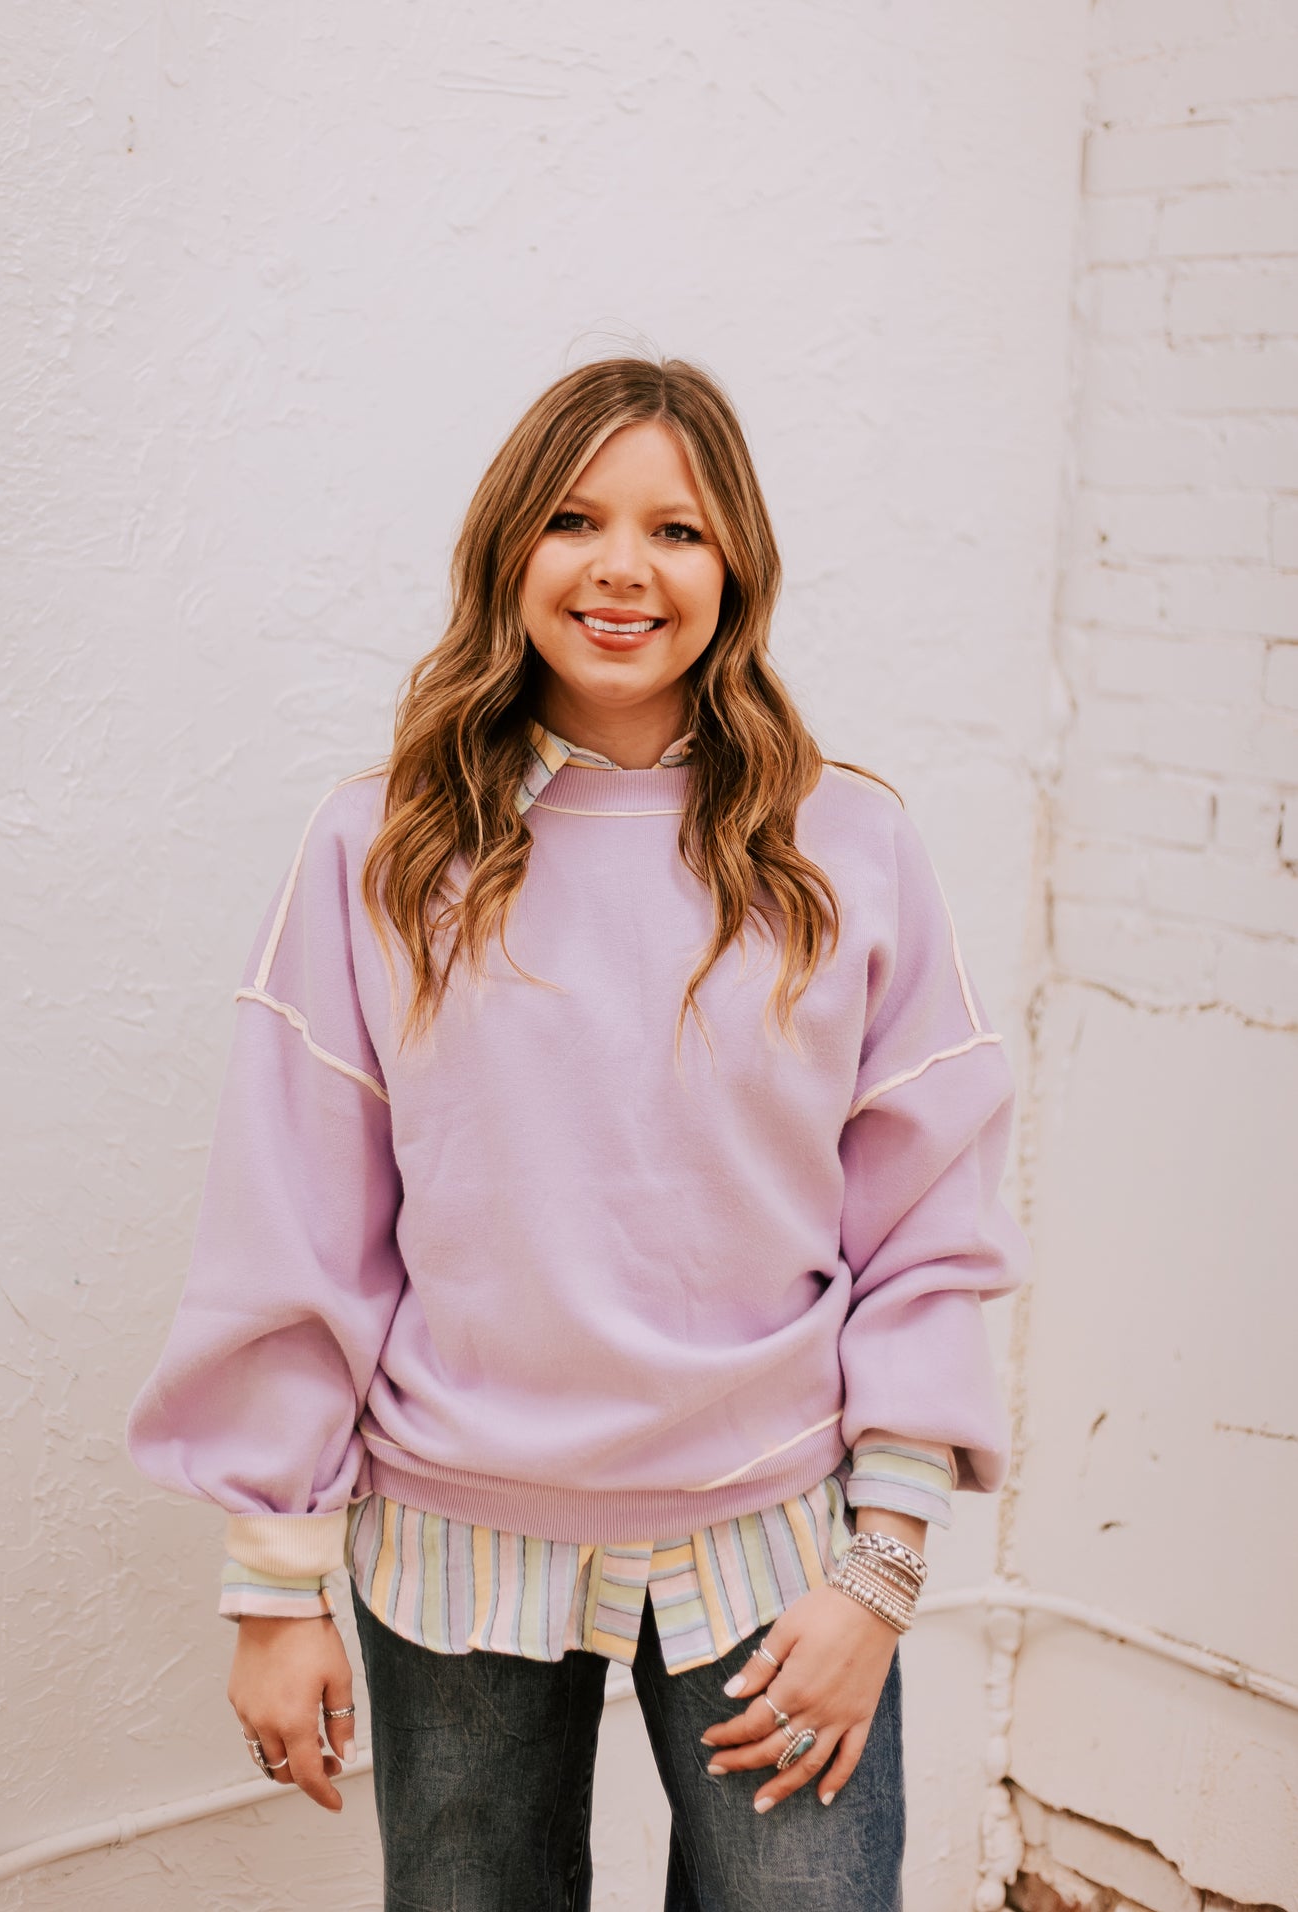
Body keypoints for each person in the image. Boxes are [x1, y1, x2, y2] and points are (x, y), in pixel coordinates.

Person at [126, 355, 1029, 1912]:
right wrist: (272, 1589)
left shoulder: (848, 844)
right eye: (571, 518)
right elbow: (294, 1228)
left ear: (733, 565)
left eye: (675, 529)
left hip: (778, 1543)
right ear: (505, 553)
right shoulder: (381, 849)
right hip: (453, 1541)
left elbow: (922, 1224)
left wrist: (880, 1567)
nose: (622, 567)